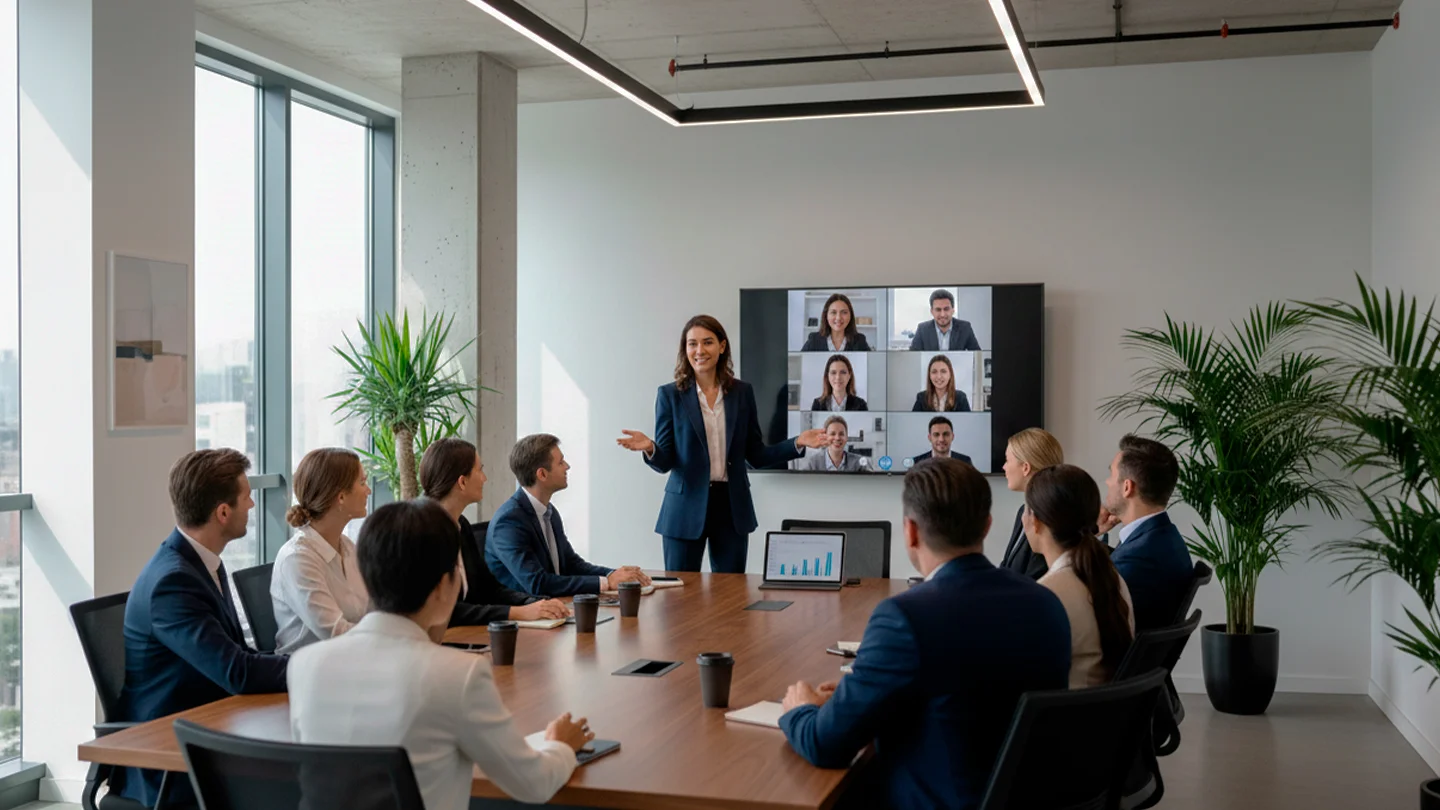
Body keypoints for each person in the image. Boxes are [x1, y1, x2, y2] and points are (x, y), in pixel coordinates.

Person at [777, 458, 1070, 808]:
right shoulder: (1047, 604)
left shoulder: (904, 618)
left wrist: (800, 710)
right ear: (987, 526)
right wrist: (860, 692)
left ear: (910, 531)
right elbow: (967, 690)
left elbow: (826, 745)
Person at [289, 499, 590, 810]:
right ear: (445, 586)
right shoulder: (457, 674)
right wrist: (560, 745)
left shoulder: (304, 665)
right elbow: (534, 784)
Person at [116, 449, 289, 808]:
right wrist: (314, 664)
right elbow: (237, 671)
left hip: (212, 727)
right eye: (246, 498)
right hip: (168, 760)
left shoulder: (201, 562)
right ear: (222, 513)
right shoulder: (173, 582)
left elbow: (239, 658)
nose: (253, 506)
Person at [618, 314, 827, 572]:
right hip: (684, 510)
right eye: (692, 344)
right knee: (680, 597)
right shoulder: (669, 395)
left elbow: (756, 455)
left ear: (722, 346)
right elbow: (666, 462)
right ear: (685, 349)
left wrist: (797, 442)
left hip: (731, 508)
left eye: (707, 342)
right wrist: (650, 448)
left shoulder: (742, 393)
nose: (699, 350)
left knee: (731, 595)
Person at [420, 438, 570, 624]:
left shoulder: (461, 524)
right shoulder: (422, 531)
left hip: (469, 637)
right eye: (480, 470)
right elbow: (444, 610)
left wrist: (534, 603)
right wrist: (517, 613)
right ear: (462, 482)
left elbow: (489, 589)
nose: (485, 478)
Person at [487, 434, 649, 596]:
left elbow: (571, 564)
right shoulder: (509, 521)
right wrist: (607, 583)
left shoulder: (548, 511)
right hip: (526, 614)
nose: (567, 466)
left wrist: (613, 574)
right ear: (542, 474)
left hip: (556, 606)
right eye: (560, 462)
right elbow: (537, 583)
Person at [1024, 465, 1135, 688]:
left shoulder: (1046, 597)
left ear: (1036, 522)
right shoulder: (1110, 576)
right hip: (1102, 716)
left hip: (1064, 718)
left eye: (1026, 512)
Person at [271, 448, 372, 654]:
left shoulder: (347, 547)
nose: (368, 490)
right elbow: (336, 633)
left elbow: (372, 613)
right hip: (308, 675)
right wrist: (393, 640)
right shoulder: (297, 558)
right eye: (362, 483)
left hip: (352, 663)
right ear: (341, 497)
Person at [1101, 434, 1194, 631]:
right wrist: (1094, 532)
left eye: (1112, 474)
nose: (1108, 482)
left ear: (1127, 487)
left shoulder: (1136, 559)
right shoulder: (1165, 537)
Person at [998, 428, 1064, 580]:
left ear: (1025, 468)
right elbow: (1007, 566)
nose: (1004, 467)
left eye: (1007, 460)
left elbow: (1035, 577)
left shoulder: (1048, 517)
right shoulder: (1025, 510)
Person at [908, 289, 981, 351]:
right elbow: (913, 357)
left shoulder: (965, 328)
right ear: (932, 311)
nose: (942, 314)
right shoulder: (922, 329)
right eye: (938, 310)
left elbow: (977, 355)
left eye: (946, 309)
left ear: (953, 310)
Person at [801, 292, 872, 352]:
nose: (838, 318)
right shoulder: (814, 340)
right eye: (833, 312)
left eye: (844, 312)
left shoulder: (860, 341)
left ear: (850, 315)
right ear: (826, 315)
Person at [800, 415, 867, 472]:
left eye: (841, 434)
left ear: (846, 437)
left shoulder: (858, 462)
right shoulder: (813, 463)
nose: (837, 438)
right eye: (832, 434)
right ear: (825, 436)